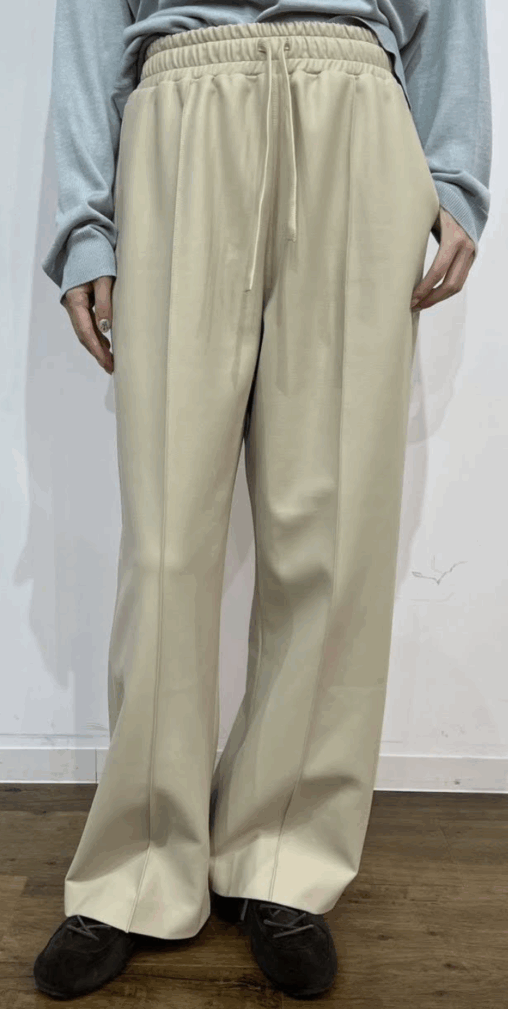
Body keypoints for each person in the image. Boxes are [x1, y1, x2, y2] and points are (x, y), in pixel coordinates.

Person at [35, 0, 492, 1001]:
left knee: (329, 534)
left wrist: (455, 169)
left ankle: (284, 858)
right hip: (182, 102)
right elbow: (87, 23)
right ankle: (136, 868)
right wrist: (83, 225)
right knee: (166, 542)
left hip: (357, 111)